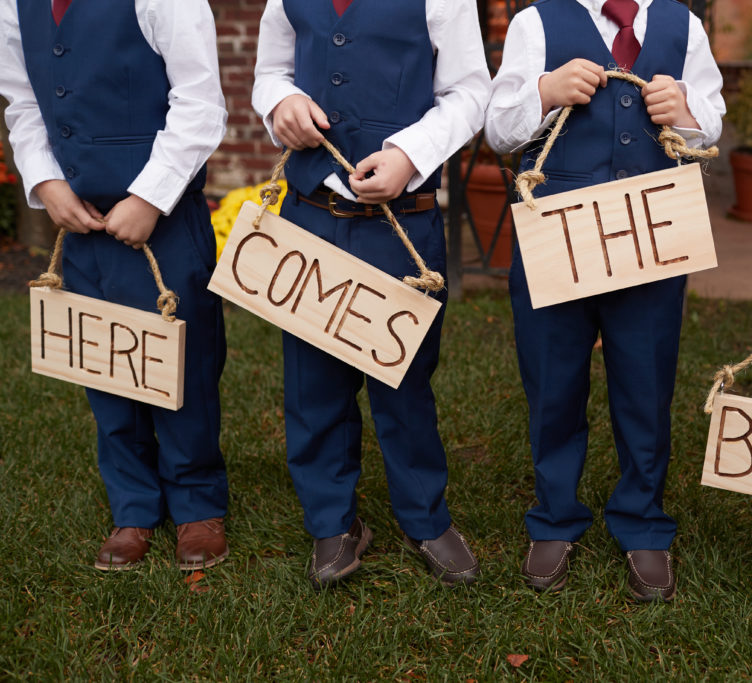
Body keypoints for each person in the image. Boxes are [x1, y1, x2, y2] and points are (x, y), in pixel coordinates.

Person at [485, 0, 725, 601]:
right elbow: (498, 130)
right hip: (556, 234)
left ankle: (643, 520)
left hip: (651, 235)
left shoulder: (682, 24)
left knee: (645, 382)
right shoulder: (536, 22)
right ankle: (555, 516)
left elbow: (711, 123)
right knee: (553, 379)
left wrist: (688, 113)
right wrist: (543, 90)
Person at [251, 0, 490, 591]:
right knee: (312, 382)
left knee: (403, 379)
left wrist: (410, 154)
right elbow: (270, 70)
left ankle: (424, 517)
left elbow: (468, 91)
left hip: (400, 224)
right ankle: (332, 520)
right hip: (309, 214)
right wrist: (280, 103)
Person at [0, 0, 230, 571]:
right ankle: (133, 505)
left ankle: (197, 501)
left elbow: (200, 102)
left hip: (164, 218)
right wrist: (47, 181)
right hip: (80, 222)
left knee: (183, 364)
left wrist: (150, 196)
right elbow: (25, 101)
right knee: (103, 365)